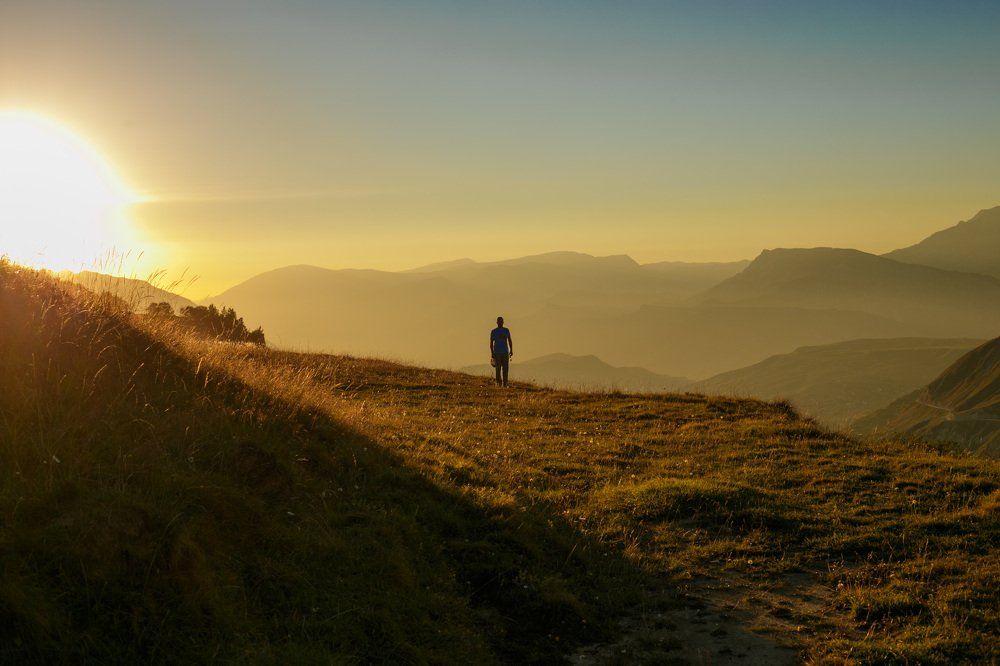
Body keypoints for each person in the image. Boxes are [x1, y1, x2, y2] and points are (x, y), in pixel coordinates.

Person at [489, 316, 513, 387]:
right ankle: (498, 382)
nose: (500, 323)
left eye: (501, 321)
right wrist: (492, 353)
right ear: (497, 322)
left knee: (505, 368)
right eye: (499, 321)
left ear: (503, 322)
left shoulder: (506, 330)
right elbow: (491, 343)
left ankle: (505, 382)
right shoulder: (493, 331)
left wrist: (511, 350)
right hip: (497, 352)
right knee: (498, 368)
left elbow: (509, 340)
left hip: (505, 352)